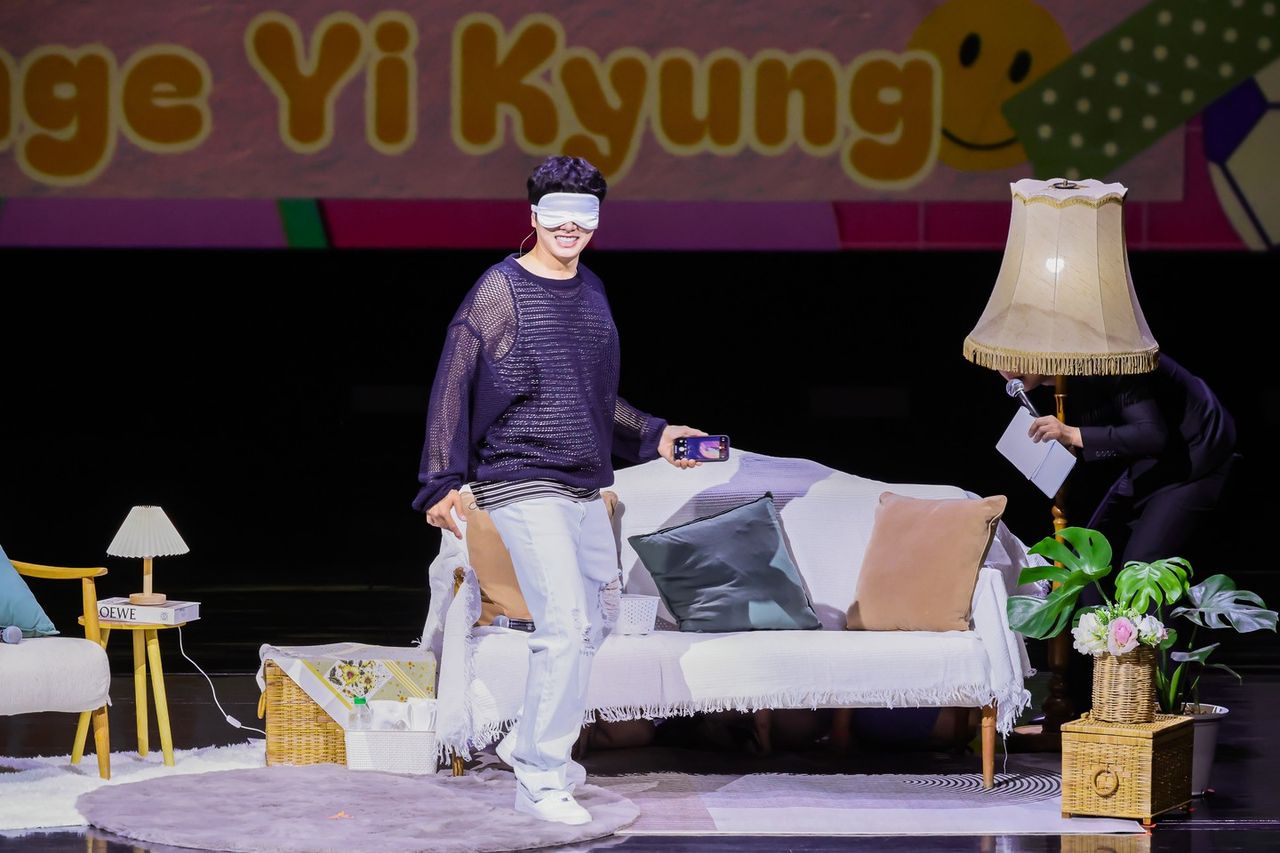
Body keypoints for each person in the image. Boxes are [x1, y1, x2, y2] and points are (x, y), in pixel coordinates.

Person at [412, 155, 706, 826]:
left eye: (585, 214)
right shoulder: (501, 288)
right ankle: (541, 776)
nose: (571, 226)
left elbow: (591, 397)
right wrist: (440, 480)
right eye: (557, 213)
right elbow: (453, 378)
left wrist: (656, 434)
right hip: (520, 479)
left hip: (583, 486)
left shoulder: (592, 290)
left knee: (597, 621)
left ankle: (526, 738)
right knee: (565, 625)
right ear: (534, 215)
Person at [1000, 353, 1238, 568]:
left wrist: (1072, 434)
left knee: (1141, 567)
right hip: (1146, 462)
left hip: (1196, 454)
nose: (1007, 370)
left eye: (1014, 357)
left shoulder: (1111, 358)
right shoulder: (1060, 379)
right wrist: (1069, 447)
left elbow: (1152, 435)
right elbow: (1105, 430)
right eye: (998, 362)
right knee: (1088, 563)